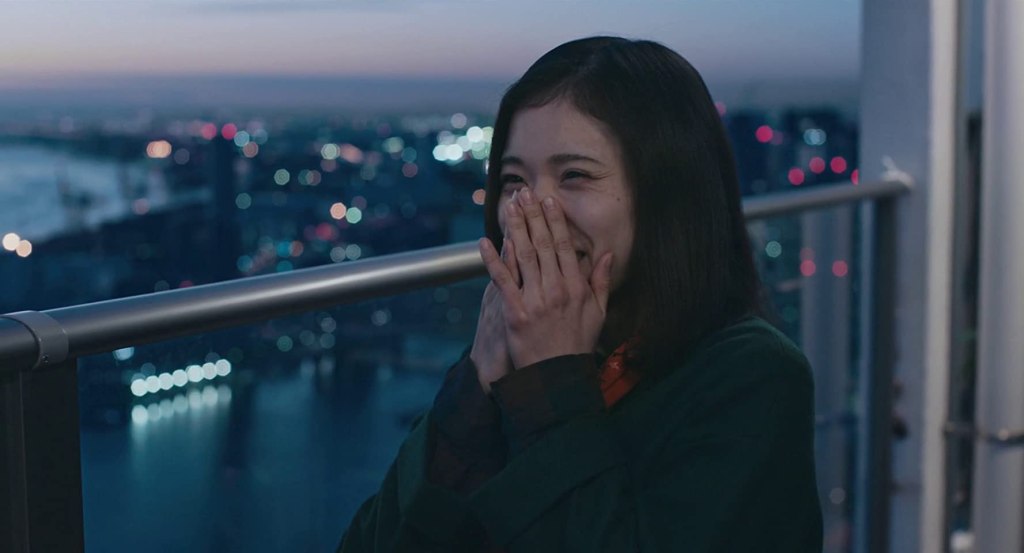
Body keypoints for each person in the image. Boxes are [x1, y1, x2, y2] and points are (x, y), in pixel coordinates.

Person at [338, 36, 823, 552]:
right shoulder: (514, 357)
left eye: (574, 176)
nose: (530, 210)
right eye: (513, 179)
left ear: (665, 197)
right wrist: (473, 392)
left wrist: (550, 385)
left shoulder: (753, 378)